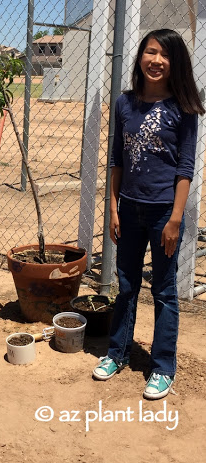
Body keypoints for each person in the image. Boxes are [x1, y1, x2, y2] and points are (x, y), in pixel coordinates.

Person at [92, 29, 204, 400]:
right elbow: (116, 160)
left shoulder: (184, 107)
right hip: (128, 210)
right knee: (125, 285)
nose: (156, 60)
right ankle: (117, 353)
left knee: (164, 290)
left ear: (175, 63)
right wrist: (112, 207)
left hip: (163, 216)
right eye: (150, 52)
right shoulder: (125, 104)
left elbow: (186, 168)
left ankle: (162, 367)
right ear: (140, 57)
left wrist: (175, 219)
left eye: (165, 55)